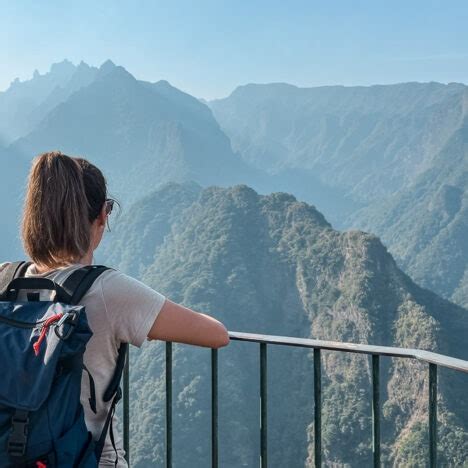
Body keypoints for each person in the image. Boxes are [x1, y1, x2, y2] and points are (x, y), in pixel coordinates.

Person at [0, 151, 230, 467]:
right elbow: (216, 334)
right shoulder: (108, 290)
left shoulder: (5, 279)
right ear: (102, 216)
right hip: (87, 459)